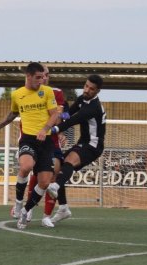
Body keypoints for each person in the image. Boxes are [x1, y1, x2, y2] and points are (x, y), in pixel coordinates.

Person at [0, 62, 59, 230]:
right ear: (28, 76)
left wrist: (45, 128)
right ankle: (18, 203)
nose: (41, 80)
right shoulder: (17, 94)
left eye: (43, 77)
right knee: (26, 166)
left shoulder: (47, 92)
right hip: (28, 139)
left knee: (45, 182)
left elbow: (55, 114)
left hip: (45, 141)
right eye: (38, 77)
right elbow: (12, 114)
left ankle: (26, 211)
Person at [47, 74, 106, 224]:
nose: (86, 90)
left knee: (68, 162)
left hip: (93, 145)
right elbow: (69, 114)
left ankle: (56, 186)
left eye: (91, 89)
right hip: (83, 143)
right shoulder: (82, 99)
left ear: (97, 91)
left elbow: (73, 120)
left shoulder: (94, 107)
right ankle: (63, 209)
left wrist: (53, 129)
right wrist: (60, 117)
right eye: (86, 86)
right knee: (59, 166)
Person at [25, 65, 71, 228]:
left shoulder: (56, 93)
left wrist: (61, 124)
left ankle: (46, 216)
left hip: (52, 141)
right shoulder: (28, 93)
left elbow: (65, 115)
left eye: (47, 75)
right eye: (42, 75)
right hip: (33, 139)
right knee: (36, 175)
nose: (45, 77)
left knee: (52, 177)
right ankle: (28, 208)